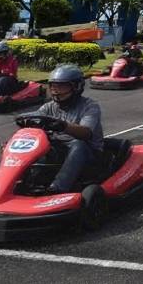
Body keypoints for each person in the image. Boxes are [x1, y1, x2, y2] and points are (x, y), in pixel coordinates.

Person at [34, 64, 104, 193]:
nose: (56, 91)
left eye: (61, 87)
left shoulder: (89, 106)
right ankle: (26, 182)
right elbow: (35, 122)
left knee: (78, 145)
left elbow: (86, 133)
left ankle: (58, 188)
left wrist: (63, 126)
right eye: (54, 87)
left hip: (89, 154)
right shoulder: (48, 107)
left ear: (76, 87)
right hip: (59, 150)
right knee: (36, 145)